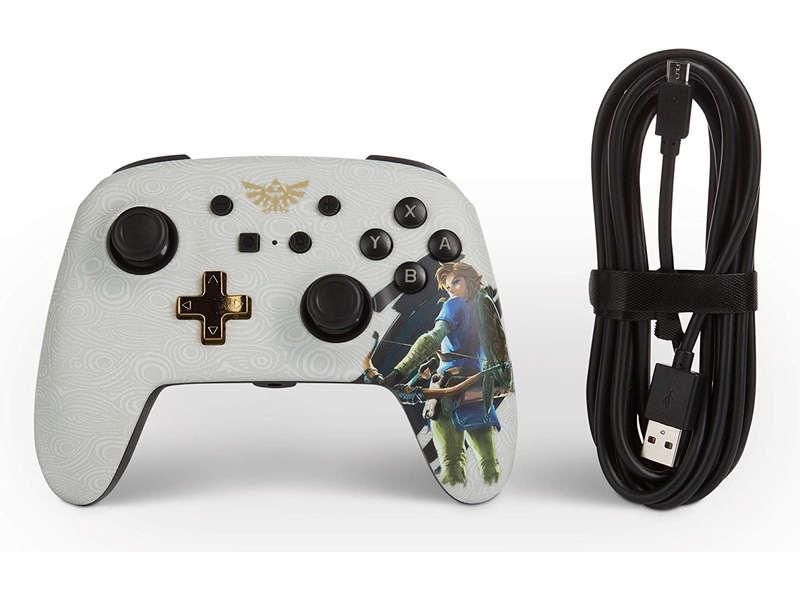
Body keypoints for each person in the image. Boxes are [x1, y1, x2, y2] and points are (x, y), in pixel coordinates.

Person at [382, 262, 508, 486]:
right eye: (449, 288)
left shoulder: (455, 305)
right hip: (478, 390)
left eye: (456, 282)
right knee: (490, 464)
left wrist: (398, 373)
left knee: (452, 465)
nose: (453, 291)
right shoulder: (483, 310)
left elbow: (432, 338)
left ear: (471, 281)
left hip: (448, 392)